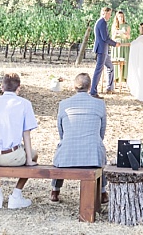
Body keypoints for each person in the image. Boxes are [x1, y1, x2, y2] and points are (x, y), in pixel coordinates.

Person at [0, 72, 38, 209]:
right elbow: (26, 134)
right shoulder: (24, 104)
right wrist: (30, 160)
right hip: (12, 156)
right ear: (18, 88)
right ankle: (16, 194)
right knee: (34, 153)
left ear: (2, 87)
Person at [50, 73, 108, 204]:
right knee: (99, 149)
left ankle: (55, 190)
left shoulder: (64, 104)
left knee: (63, 148)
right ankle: (103, 191)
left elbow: (61, 131)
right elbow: (101, 132)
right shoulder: (99, 104)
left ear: (74, 86)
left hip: (67, 153)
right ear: (90, 86)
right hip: (92, 155)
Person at [90, 6, 117, 97]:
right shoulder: (102, 23)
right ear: (104, 13)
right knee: (98, 70)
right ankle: (93, 91)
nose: (110, 16)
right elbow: (105, 38)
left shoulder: (100, 22)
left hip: (103, 49)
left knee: (110, 67)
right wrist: (115, 44)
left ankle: (109, 87)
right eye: (109, 14)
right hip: (101, 50)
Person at [110, 9, 130, 86]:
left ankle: (124, 78)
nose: (121, 18)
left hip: (124, 44)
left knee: (125, 61)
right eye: (119, 17)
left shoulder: (126, 25)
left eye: (122, 16)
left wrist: (124, 33)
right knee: (116, 61)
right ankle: (116, 78)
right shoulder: (114, 26)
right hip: (117, 45)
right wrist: (116, 33)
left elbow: (128, 36)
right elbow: (112, 37)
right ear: (117, 17)